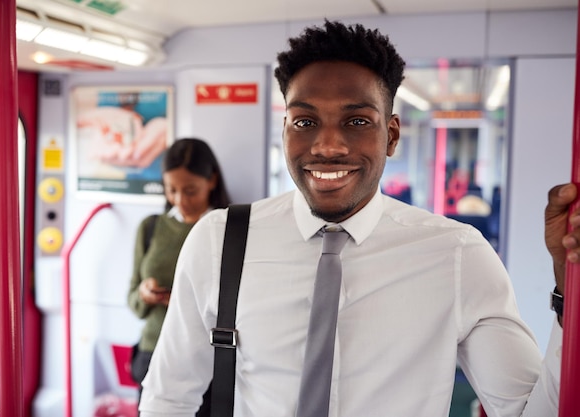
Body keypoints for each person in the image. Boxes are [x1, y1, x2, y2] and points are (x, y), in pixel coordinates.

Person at [139, 21, 580, 416]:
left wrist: (570, 291)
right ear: (285, 131)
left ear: (390, 135)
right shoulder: (220, 240)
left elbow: (526, 411)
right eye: (305, 122)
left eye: (355, 121)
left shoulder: (457, 254)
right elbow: (169, 399)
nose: (328, 146)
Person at [127, 138, 231, 415]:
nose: (180, 200)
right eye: (171, 190)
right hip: (153, 350)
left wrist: (187, 301)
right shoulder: (151, 228)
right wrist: (144, 295)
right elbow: (132, 301)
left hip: (208, 359)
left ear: (211, 181)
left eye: (190, 191)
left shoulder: (230, 231)